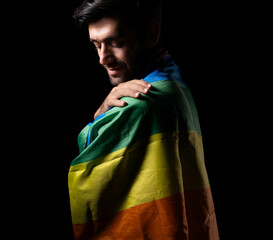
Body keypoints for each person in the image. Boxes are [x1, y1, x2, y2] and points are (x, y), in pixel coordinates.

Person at [69, 0, 219, 239]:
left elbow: (88, 183)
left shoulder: (137, 106)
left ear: (151, 33)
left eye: (116, 43)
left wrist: (98, 121)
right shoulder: (176, 85)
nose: (103, 58)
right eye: (96, 45)